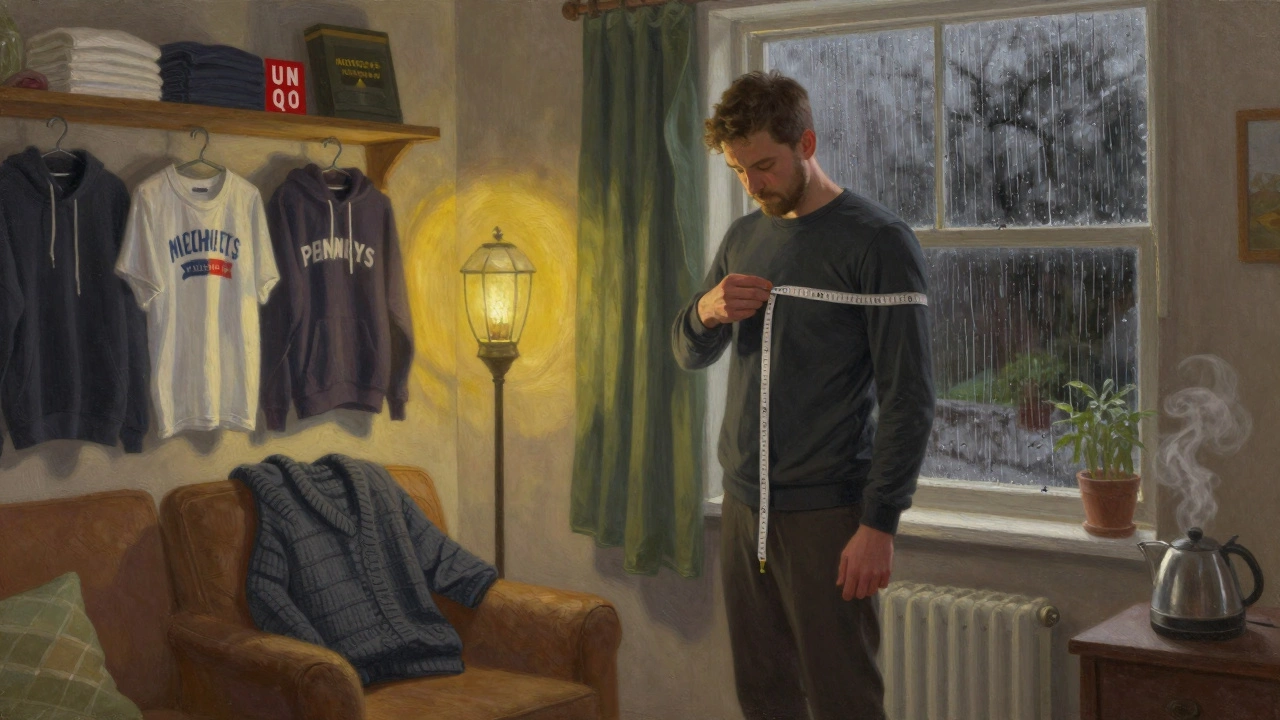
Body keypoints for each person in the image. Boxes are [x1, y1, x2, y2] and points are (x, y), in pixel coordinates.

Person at [671, 70, 935, 720]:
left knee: (845, 701)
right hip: (743, 508)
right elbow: (688, 351)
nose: (753, 185)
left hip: (829, 515)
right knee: (764, 699)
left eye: (763, 166)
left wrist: (879, 524)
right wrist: (704, 311)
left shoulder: (877, 241)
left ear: (807, 142)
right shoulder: (743, 238)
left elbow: (910, 397)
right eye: (738, 170)